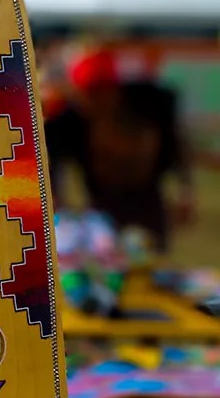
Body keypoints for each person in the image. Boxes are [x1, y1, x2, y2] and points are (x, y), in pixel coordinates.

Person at [45, 46, 194, 253]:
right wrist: (55, 200)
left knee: (149, 256)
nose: (95, 101)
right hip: (102, 202)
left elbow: (176, 147)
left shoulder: (148, 107)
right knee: (106, 255)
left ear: (114, 89)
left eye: (101, 92)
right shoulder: (69, 122)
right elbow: (53, 163)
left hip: (145, 200)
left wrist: (185, 191)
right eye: (88, 94)